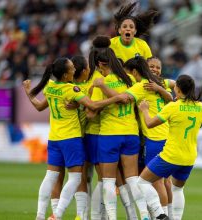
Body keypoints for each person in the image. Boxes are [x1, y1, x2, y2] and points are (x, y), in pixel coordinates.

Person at [27, 57, 127, 220]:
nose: (74, 70)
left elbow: (39, 106)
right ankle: (57, 214)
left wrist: (27, 91)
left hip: (54, 138)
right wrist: (116, 98)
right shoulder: (71, 89)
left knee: (50, 177)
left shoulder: (50, 87)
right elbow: (93, 106)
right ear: (66, 74)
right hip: (71, 138)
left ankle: (40, 215)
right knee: (76, 178)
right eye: (72, 68)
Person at [90, 36, 149, 220]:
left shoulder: (101, 81)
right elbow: (128, 99)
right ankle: (142, 215)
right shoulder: (130, 78)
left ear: (100, 63)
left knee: (108, 181)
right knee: (132, 179)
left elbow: (91, 114)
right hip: (131, 133)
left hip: (109, 135)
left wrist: (99, 100)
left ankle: (112, 218)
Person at [137, 75, 202, 220]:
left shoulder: (172, 107)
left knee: (142, 181)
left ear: (178, 89)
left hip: (171, 155)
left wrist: (144, 110)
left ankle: (159, 214)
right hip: (189, 157)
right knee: (177, 188)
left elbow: (149, 124)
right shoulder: (201, 107)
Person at [147, 56, 175, 217]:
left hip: (158, 137)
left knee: (157, 181)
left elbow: (171, 99)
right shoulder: (143, 83)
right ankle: (170, 215)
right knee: (165, 181)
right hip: (161, 137)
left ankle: (163, 215)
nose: (155, 69)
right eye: (151, 66)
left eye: (158, 67)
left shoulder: (162, 85)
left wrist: (158, 88)